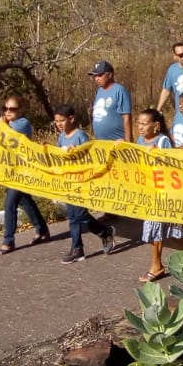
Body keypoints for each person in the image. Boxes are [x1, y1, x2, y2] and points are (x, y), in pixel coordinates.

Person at [53, 103, 115, 264]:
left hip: (82, 182)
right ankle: (77, 249)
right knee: (72, 217)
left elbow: (90, 158)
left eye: (62, 120)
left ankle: (104, 232)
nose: (59, 124)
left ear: (71, 119)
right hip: (69, 182)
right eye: (56, 121)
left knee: (81, 215)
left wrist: (78, 152)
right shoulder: (61, 137)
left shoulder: (80, 136)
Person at [135, 109, 183, 282]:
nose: (140, 127)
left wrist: (156, 154)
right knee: (162, 231)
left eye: (144, 123)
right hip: (147, 191)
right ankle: (158, 264)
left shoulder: (163, 141)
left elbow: (171, 166)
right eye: (139, 123)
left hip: (162, 192)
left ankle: (156, 266)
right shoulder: (140, 140)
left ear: (156, 125)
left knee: (156, 228)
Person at [0, 96, 50, 255]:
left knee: (10, 204)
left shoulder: (22, 124)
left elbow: (8, 136)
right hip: (10, 169)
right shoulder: (7, 124)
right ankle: (41, 228)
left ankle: (8, 241)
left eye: (12, 109)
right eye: (5, 108)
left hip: (22, 170)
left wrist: (2, 125)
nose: (8, 112)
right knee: (25, 201)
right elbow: (0, 145)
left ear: (20, 110)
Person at [89, 60, 132, 142]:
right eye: (95, 76)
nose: (96, 79)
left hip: (117, 142)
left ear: (110, 75)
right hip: (102, 143)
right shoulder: (99, 91)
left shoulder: (120, 91)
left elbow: (127, 118)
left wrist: (127, 142)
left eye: (100, 75)